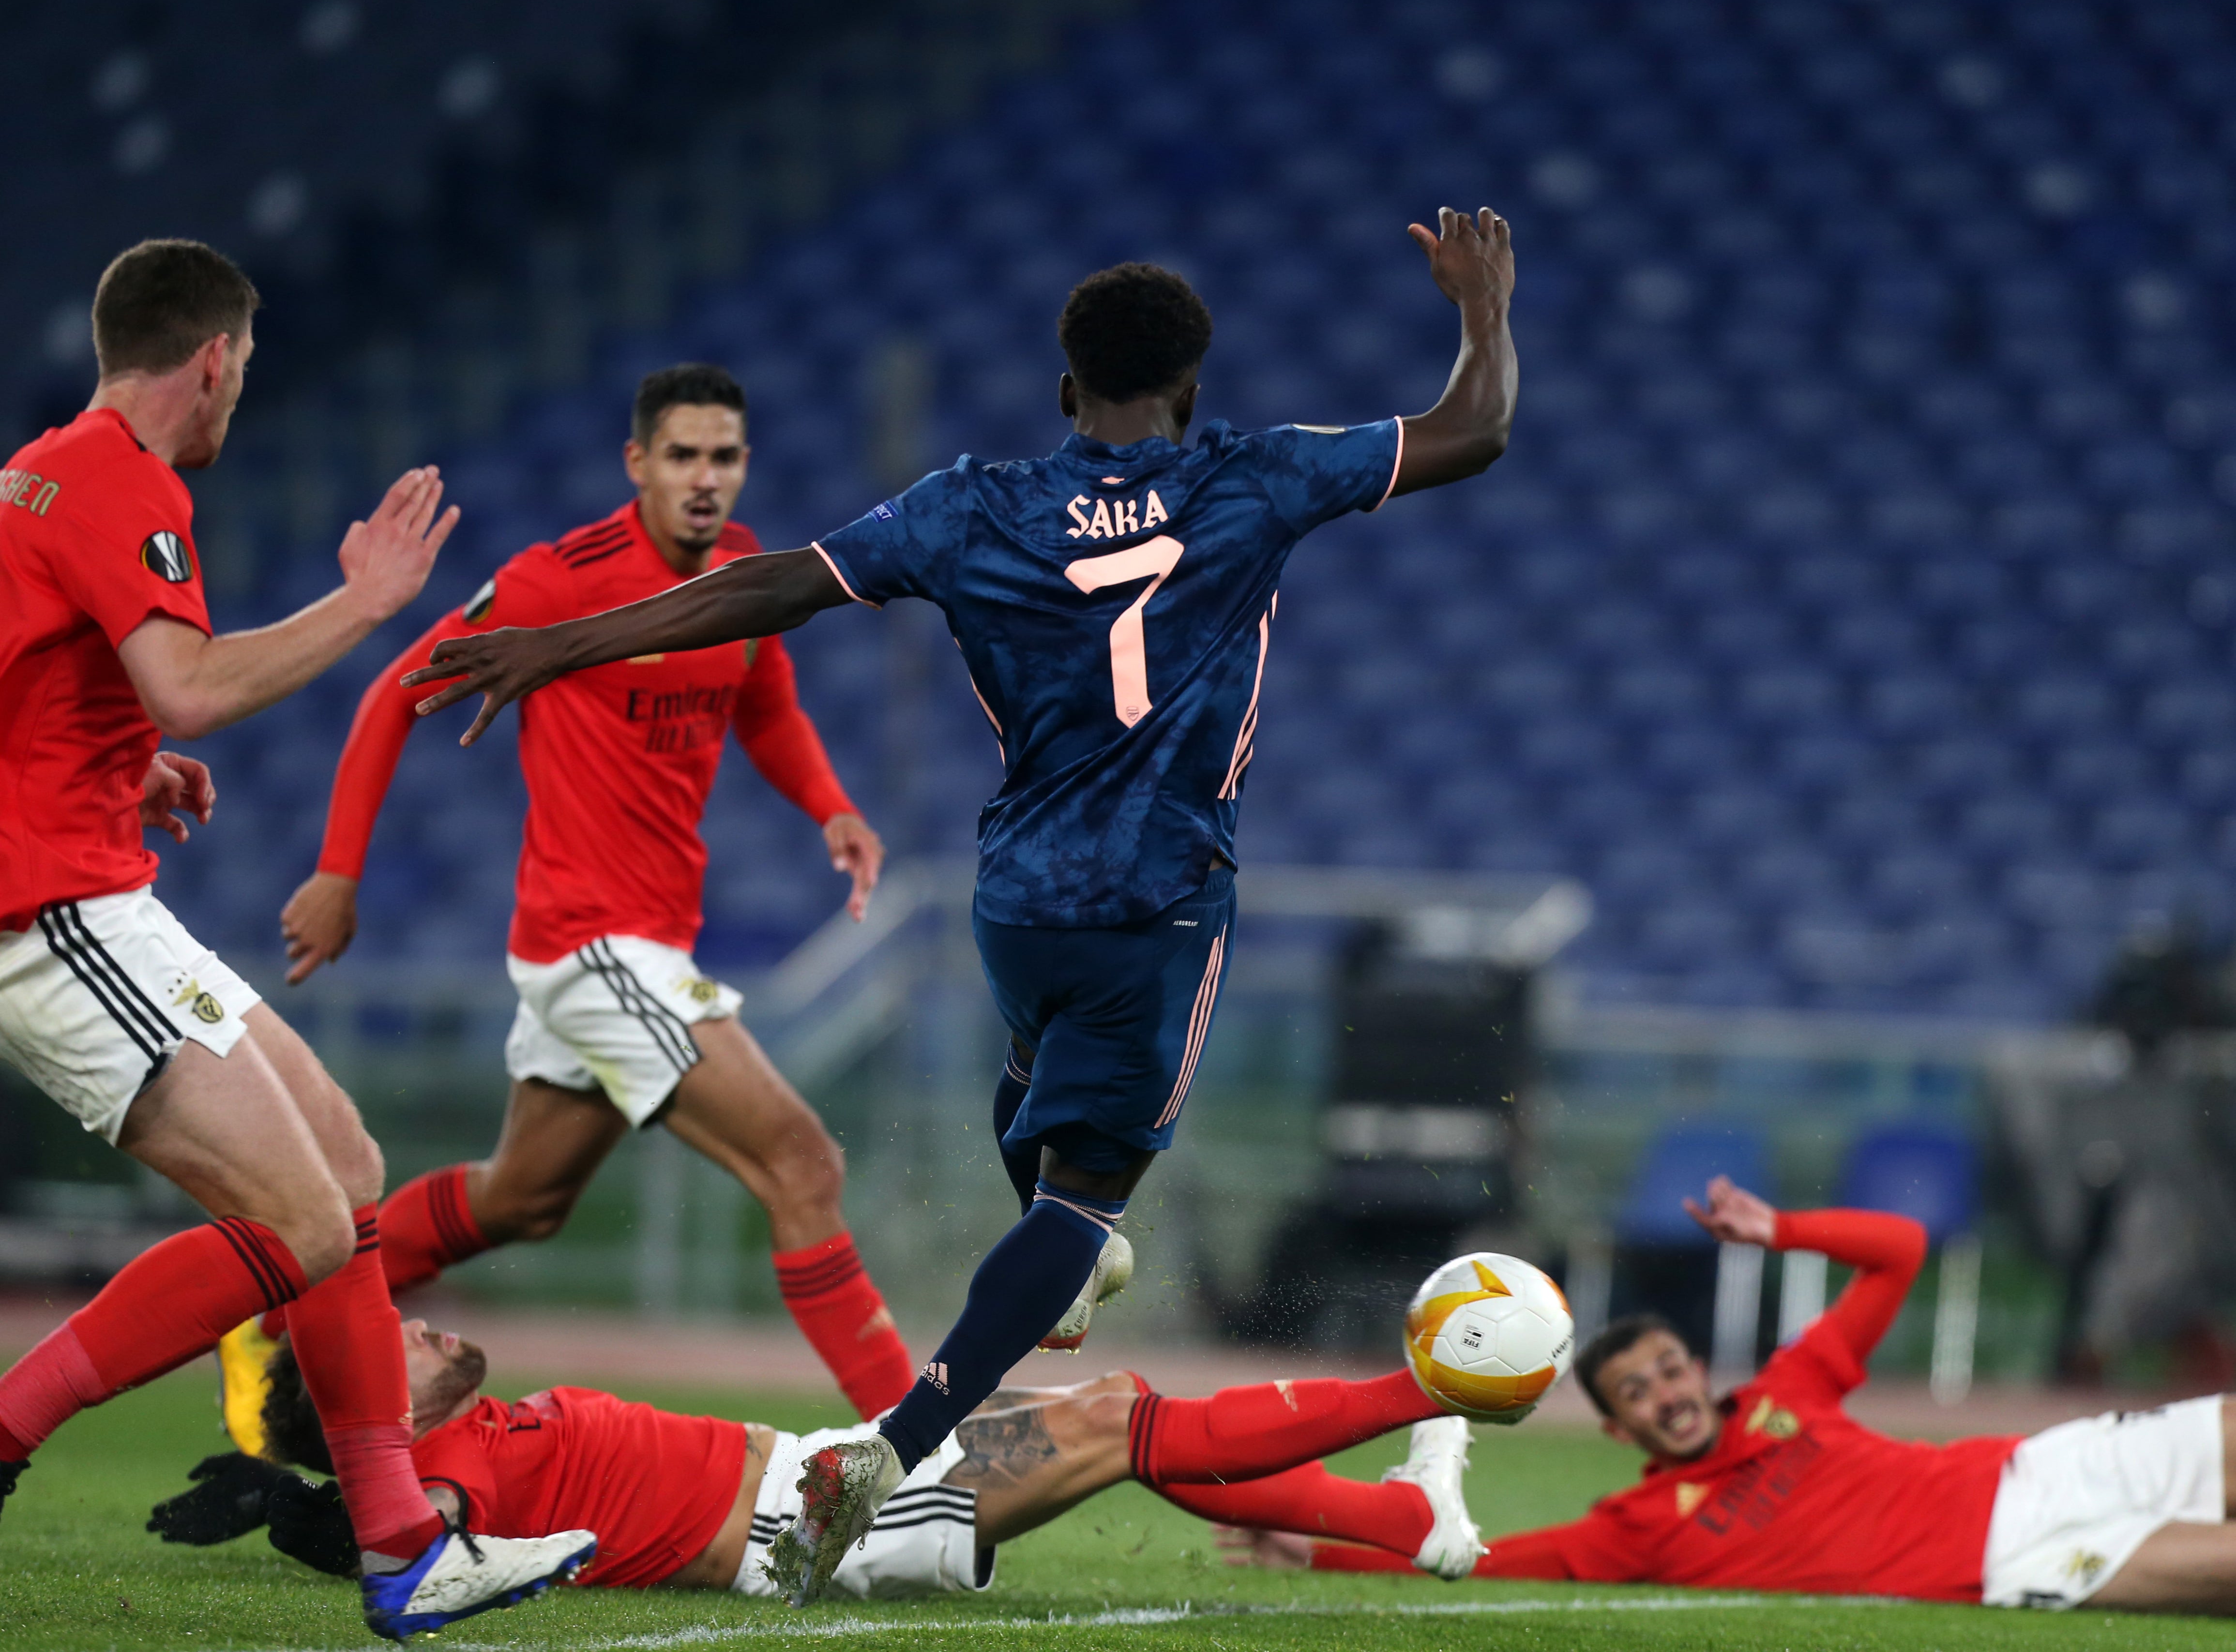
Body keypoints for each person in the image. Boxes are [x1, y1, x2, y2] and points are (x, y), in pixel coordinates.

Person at [397, 207, 1518, 1601]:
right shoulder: (1256, 477)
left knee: (1044, 1134)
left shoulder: (972, 503)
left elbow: (769, 586)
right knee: (1084, 1202)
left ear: (1065, 393)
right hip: (1154, 898)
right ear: (1192, 388)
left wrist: (563, 642)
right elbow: (1471, 429)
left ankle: (1065, 1255)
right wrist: (1482, 305)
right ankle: (895, 1441)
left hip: (1016, 897)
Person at [0, 238, 593, 1640]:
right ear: (211, 359)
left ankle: (401, 1545)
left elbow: (58, 684)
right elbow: (191, 687)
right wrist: (367, 604)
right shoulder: (113, 481)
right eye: (244, 372)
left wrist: (112, 765)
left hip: (94, 885)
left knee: (347, 1169)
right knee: (300, 1223)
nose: (240, 400)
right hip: (53, 918)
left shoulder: (38, 468)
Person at [259, 363, 910, 1437]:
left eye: (726, 457)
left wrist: (830, 806)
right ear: (638, 464)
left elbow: (768, 703)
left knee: (523, 1200)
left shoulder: (744, 573)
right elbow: (395, 695)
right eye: (684, 456)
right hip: (594, 944)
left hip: (634, 942)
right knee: (803, 1164)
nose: (707, 479)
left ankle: (282, 1312)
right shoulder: (559, 582)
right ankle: (925, 1458)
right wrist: (338, 873)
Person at [1229, 1177, 2236, 1616]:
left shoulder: (1789, 1389)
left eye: (1670, 1367)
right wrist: (1312, 1547)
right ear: (1617, 1427)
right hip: (2026, 1556)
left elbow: (1900, 1255)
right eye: (1638, 1391)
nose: (1667, 1392)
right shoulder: (1640, 1531)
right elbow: (1480, 1562)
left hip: (2044, 1466)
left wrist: (1782, 1230)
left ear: (1696, 1369)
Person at [151, 1316, 1483, 1596]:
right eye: (400, 1333)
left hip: (825, 1474)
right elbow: (416, 1541)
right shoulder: (455, 1468)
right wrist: (296, 1509)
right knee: (1118, 1416)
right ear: (358, 1393)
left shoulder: (460, 1436)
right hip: (816, 1529)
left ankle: (1407, 1524)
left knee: (1103, 1420)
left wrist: (304, 1491)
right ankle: (1411, 1396)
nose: (427, 1321)